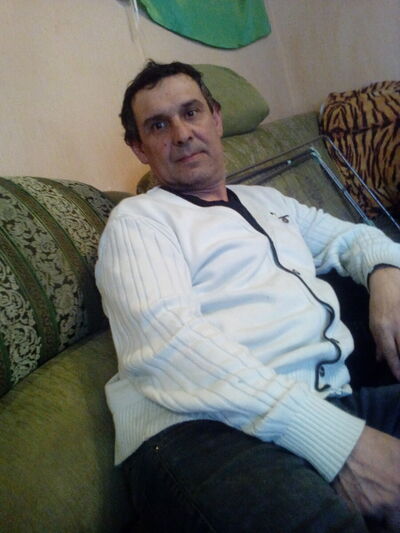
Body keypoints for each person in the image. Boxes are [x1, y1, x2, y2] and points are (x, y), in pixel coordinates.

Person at [95, 61, 400, 532]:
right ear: (139, 148)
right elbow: (170, 346)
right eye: (158, 125)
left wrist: (385, 274)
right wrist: (341, 445)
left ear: (216, 118)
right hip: (202, 431)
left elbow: (352, 238)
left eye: (191, 112)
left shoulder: (268, 201)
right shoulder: (138, 222)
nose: (182, 133)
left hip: (325, 402)